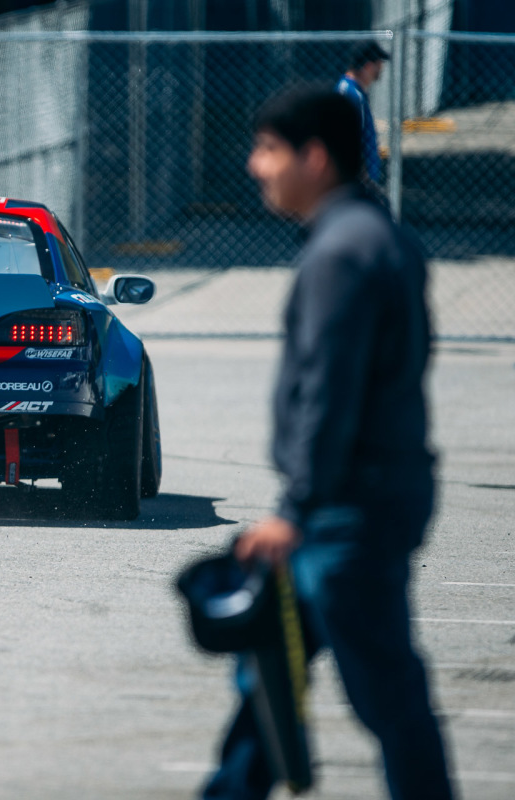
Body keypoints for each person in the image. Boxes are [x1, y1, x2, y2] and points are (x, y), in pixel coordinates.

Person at [200, 84, 454, 800]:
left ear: (314, 157)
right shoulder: (384, 236)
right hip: (359, 500)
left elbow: (330, 393)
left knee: (389, 698)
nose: (255, 166)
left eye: (269, 150)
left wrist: (297, 506)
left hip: (344, 514)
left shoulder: (339, 253)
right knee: (265, 677)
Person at [336, 41, 390, 188]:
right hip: (356, 183)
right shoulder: (351, 94)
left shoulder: (354, 92)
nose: (381, 68)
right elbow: (350, 139)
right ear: (368, 66)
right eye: (379, 63)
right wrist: (363, 180)